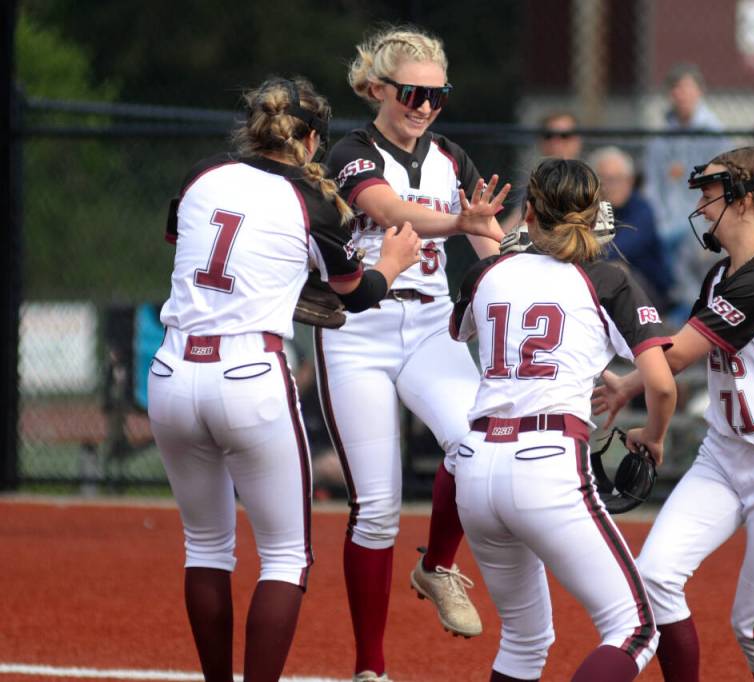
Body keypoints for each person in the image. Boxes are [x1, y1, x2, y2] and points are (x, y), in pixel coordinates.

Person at [147, 76, 421, 682]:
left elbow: (198, 247)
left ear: (254, 128)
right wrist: (391, 263)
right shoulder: (312, 199)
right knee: (285, 557)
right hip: (248, 372)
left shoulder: (203, 174)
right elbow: (357, 296)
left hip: (170, 371)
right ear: (313, 139)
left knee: (206, 547)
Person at [594, 147, 754, 682]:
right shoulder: (723, 274)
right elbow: (682, 356)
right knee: (654, 577)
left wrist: (615, 300)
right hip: (723, 456)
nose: (701, 207)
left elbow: (675, 354)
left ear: (744, 201)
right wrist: (629, 387)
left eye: (709, 194)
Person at [320, 27, 509, 682]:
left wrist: (532, 272)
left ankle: (438, 565)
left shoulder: (449, 156)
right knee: (375, 507)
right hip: (359, 329)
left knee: (474, 443)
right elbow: (383, 206)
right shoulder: (350, 150)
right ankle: (370, 668)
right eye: (411, 92)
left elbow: (491, 242)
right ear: (377, 88)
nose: (424, 107)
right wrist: (461, 222)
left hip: (431, 326)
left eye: (437, 95)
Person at [451, 158, 676, 682]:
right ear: (596, 213)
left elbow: (463, 329)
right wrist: (654, 435)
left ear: (527, 212)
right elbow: (662, 384)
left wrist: (500, 243)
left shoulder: (487, 270)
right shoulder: (607, 276)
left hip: (477, 465)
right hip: (547, 460)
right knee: (634, 628)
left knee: (523, 641)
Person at [644, 62, 732, 309]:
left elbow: (718, 188)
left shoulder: (715, 135)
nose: (681, 94)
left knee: (695, 290)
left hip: (698, 225)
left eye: (687, 88)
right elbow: (653, 186)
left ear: (699, 92)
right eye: (676, 88)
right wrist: (658, 222)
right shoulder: (661, 139)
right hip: (665, 227)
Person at [589, 145, 675, 313]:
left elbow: (615, 250)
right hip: (606, 285)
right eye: (604, 180)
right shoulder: (590, 210)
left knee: (617, 269)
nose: (610, 186)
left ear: (630, 181)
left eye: (617, 179)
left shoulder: (642, 210)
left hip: (650, 291)